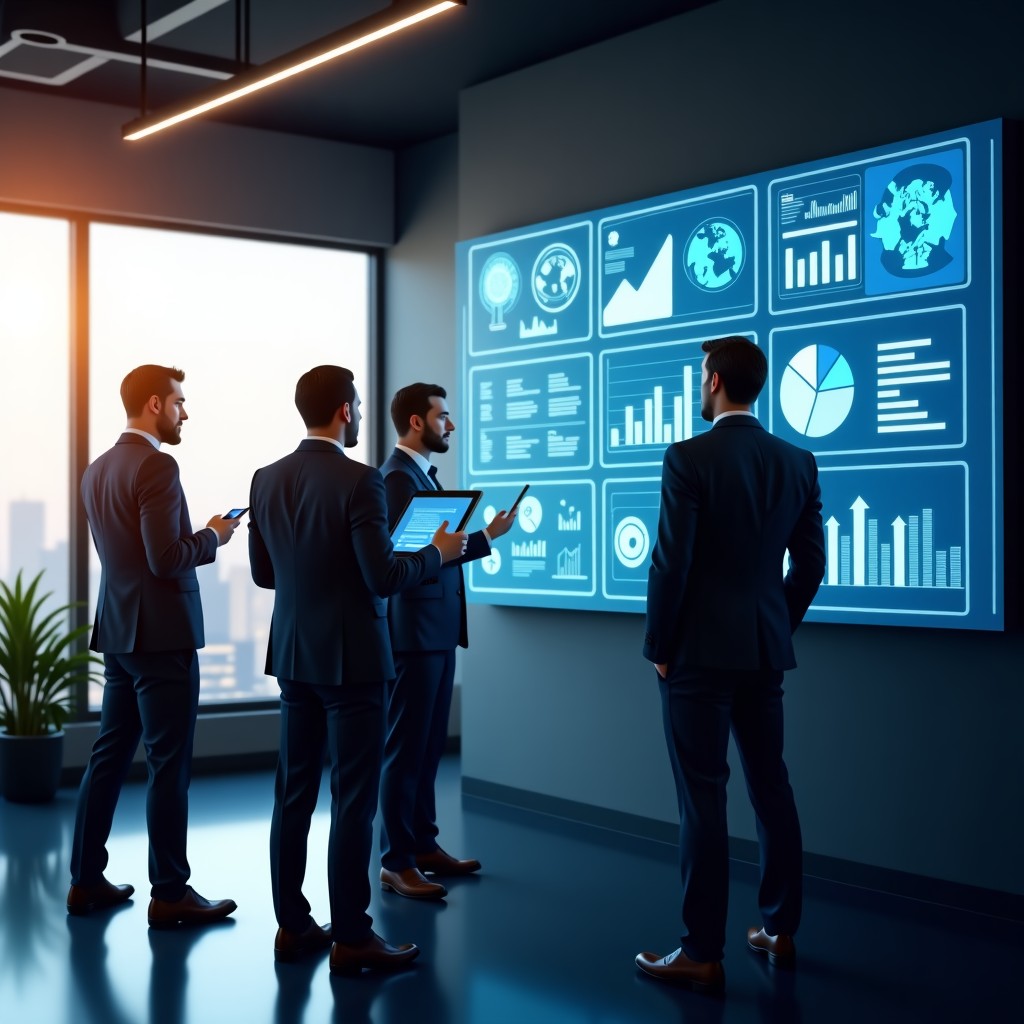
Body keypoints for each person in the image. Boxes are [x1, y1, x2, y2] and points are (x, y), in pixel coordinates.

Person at [247, 365, 468, 974]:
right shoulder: (361, 481)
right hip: (355, 665)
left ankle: (292, 927)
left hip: (293, 657)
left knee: (292, 797)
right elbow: (385, 577)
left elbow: (267, 574)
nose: (362, 415)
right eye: (360, 407)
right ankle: (351, 934)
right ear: (345, 411)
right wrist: (437, 552)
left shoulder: (265, 479)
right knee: (353, 801)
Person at [635, 336, 825, 992]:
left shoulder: (689, 457)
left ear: (713, 380)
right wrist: (773, 625)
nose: (698, 383)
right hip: (762, 652)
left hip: (695, 657)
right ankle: (780, 929)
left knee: (703, 798)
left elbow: (672, 563)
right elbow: (811, 566)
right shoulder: (798, 461)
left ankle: (700, 950)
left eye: (699, 375)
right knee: (772, 788)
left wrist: (659, 646)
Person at [68, 364, 240, 927]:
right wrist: (214, 534)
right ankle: (169, 893)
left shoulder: (96, 470)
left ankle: (85, 880)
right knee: (170, 764)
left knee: (109, 754)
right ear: (152, 405)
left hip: (119, 632)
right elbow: (164, 557)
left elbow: (124, 557)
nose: (184, 412)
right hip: (162, 636)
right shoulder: (158, 465)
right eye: (178, 402)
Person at [377, 383, 516, 900]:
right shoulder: (394, 478)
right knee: (405, 748)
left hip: (432, 629)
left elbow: (436, 552)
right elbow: (399, 561)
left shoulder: (418, 475)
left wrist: (486, 537)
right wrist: (456, 544)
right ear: (417, 422)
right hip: (413, 631)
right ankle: (396, 860)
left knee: (428, 746)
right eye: (443, 416)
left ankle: (423, 846)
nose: (450, 425)